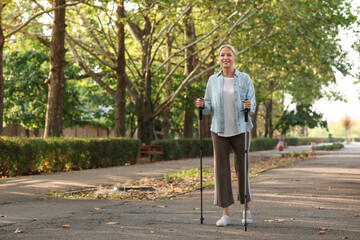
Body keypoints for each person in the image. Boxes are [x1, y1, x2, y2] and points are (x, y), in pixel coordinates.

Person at [195, 44, 256, 227]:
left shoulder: (244, 78)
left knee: (242, 169)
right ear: (218, 58)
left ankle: (246, 210)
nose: (225, 58)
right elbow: (209, 107)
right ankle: (225, 214)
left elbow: (252, 103)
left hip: (241, 129)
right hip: (219, 131)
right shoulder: (213, 80)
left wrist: (248, 106)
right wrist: (201, 105)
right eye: (222, 55)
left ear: (234, 57)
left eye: (229, 54)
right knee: (221, 171)